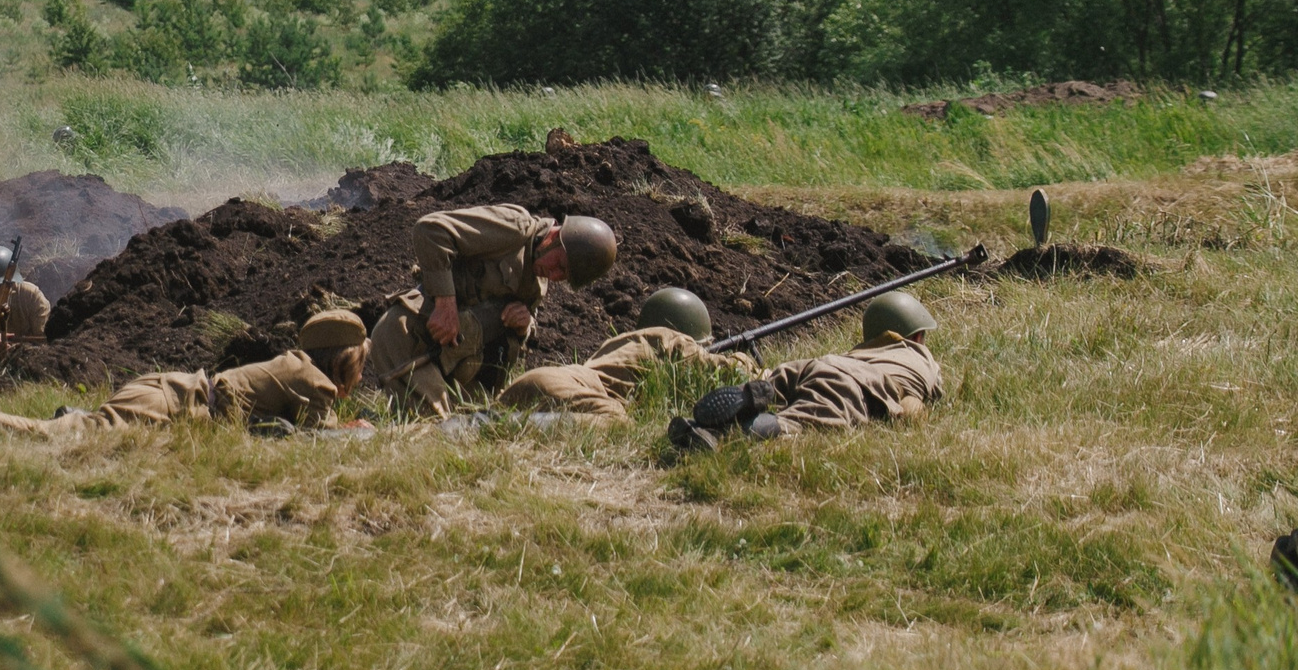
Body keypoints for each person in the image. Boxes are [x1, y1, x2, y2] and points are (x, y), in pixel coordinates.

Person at [0, 304, 369, 440]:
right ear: (345, 361)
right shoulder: (317, 383)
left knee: (82, 428)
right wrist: (357, 432)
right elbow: (313, 443)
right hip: (171, 405)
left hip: (169, 391)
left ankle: (82, 416)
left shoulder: (298, 366)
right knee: (52, 437)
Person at [365, 206, 618, 416]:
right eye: (559, 265)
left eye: (564, 276)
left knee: (477, 429)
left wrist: (525, 324)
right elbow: (430, 230)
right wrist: (445, 303)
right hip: (409, 339)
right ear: (556, 237)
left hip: (451, 362)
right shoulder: (514, 228)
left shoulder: (537, 280)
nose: (554, 275)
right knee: (435, 432)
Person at [667, 291, 941, 450]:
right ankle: (726, 434)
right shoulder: (919, 359)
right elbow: (910, 408)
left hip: (816, 364)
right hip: (850, 383)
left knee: (775, 388)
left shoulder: (863, 350)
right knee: (803, 419)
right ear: (916, 336)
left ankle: (742, 400)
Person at [494, 287, 757, 421]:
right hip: (562, 388)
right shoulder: (673, 341)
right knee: (617, 423)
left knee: (484, 422)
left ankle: (494, 422)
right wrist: (745, 356)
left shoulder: (621, 342)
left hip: (535, 379)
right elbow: (736, 373)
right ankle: (518, 424)